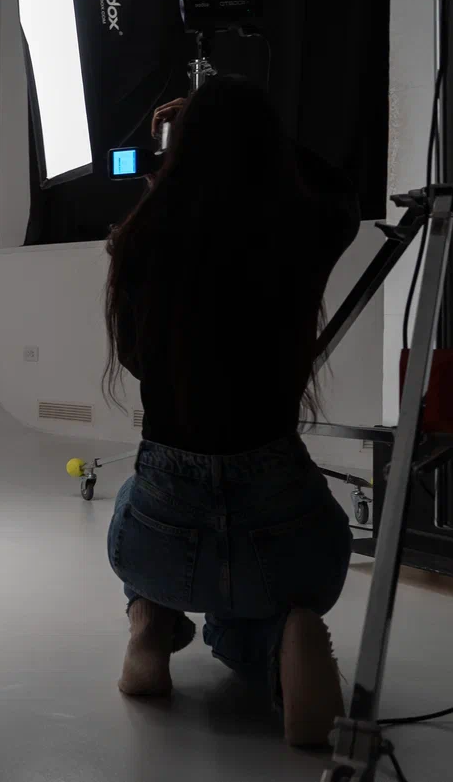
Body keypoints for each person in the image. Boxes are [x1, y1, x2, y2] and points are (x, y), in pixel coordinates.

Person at [102, 75, 361, 747]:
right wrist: (261, 137)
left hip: (162, 541)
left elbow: (135, 359)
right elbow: (343, 194)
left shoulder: (140, 244)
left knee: (129, 510)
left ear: (180, 154)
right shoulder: (300, 237)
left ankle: (151, 621)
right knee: (260, 599)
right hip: (287, 543)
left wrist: (174, 153)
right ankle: (281, 643)